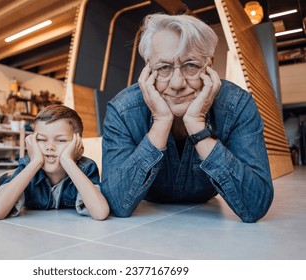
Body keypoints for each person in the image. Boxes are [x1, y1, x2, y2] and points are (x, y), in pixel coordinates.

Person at [101, 13, 274, 223]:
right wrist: (160, 123)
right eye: (163, 67)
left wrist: (198, 128)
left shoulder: (238, 106)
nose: (177, 83)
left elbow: (256, 205)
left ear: (209, 64)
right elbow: (115, 203)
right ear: (148, 67)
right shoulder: (122, 110)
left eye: (191, 65)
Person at [0, 104, 109, 221]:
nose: (50, 147)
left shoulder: (86, 168)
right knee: (11, 179)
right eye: (41, 140)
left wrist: (68, 161)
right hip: (26, 170)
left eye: (60, 140)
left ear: (77, 144)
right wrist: (35, 162)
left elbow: (100, 213)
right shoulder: (27, 166)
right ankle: (9, 176)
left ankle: (10, 175)